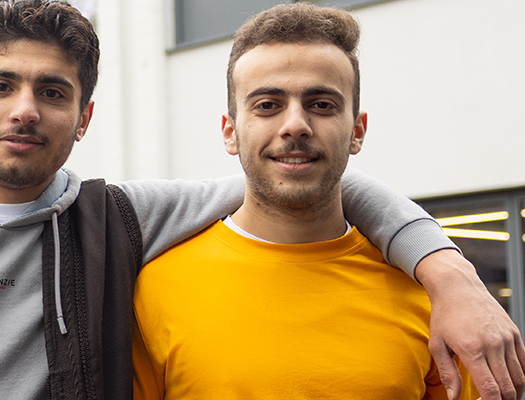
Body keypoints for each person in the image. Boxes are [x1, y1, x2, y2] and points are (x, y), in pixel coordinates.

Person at [0, 1, 525, 400]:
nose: (25, 108)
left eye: (52, 92)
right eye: (2, 86)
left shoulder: (118, 217)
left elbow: (304, 177)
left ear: (83, 116)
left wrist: (449, 275)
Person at [133, 4, 486, 399]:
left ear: (357, 130)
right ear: (230, 132)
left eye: (321, 104)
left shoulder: (431, 297)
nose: (295, 125)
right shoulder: (154, 292)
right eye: (267, 105)